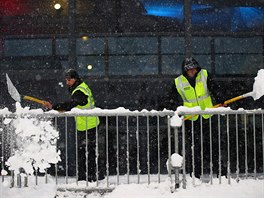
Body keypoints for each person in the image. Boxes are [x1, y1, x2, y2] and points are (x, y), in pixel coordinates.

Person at [42, 68, 103, 182]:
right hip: (88, 124)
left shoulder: (79, 91)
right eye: (66, 80)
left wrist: (54, 106)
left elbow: (70, 105)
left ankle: (87, 178)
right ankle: (92, 176)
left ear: (75, 79)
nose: (67, 82)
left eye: (69, 80)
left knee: (85, 153)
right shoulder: (81, 87)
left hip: (88, 126)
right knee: (89, 152)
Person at [170, 57, 226, 179]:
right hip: (191, 119)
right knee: (194, 147)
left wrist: (221, 98)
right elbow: (172, 99)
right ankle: (194, 174)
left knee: (213, 145)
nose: (193, 71)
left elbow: (215, 88)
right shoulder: (178, 82)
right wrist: (176, 110)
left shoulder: (204, 75)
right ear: (185, 71)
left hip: (207, 116)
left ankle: (221, 173)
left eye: (194, 69)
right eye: (190, 69)